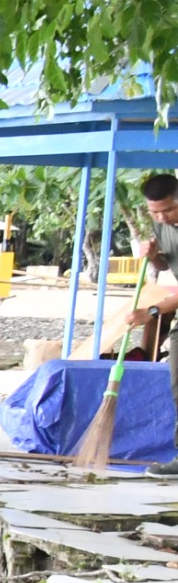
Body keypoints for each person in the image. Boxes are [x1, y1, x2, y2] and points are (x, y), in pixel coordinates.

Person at [127, 173, 178, 478]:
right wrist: (155, 256)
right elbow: (165, 264)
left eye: (168, 210)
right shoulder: (161, 225)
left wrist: (153, 311)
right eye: (154, 212)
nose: (161, 217)